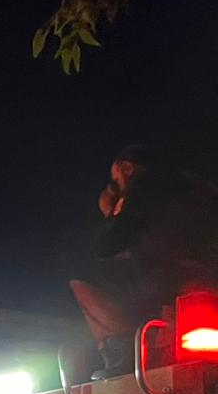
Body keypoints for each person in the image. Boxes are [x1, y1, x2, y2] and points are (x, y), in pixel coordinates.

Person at [70, 145, 218, 372]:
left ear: (127, 168)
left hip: (166, 277)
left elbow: (107, 246)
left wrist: (110, 213)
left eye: (116, 179)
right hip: (207, 277)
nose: (116, 186)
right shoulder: (201, 187)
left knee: (80, 275)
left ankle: (123, 350)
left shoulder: (142, 184)